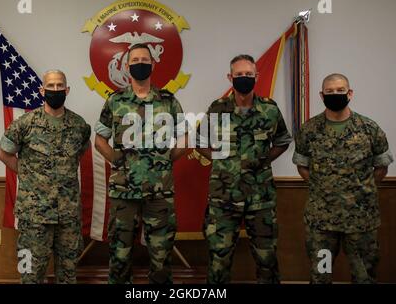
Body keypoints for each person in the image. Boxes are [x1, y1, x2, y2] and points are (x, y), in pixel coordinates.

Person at [94, 43, 187, 284]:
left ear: (153, 64)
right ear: (127, 66)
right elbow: (99, 140)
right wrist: (119, 161)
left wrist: (164, 161)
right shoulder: (115, 101)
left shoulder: (168, 101)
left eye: (144, 60)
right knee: (120, 256)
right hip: (123, 193)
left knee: (161, 257)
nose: (139, 64)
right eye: (134, 61)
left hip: (159, 192)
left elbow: (184, 139)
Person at [197, 54, 292, 283]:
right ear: (230, 77)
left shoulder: (269, 109)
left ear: (257, 77)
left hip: (261, 198)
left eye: (249, 75)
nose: (244, 79)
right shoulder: (217, 108)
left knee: (267, 261)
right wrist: (220, 161)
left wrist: (263, 160)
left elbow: (282, 140)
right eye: (239, 75)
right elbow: (200, 142)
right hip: (223, 199)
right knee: (218, 264)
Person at [293, 73, 394, 283]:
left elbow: (381, 166)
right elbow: (302, 165)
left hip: (361, 220)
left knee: (364, 276)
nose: (335, 94)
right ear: (321, 95)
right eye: (329, 92)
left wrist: (361, 190)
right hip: (322, 223)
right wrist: (322, 187)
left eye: (340, 90)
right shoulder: (309, 130)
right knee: (321, 275)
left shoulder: (369, 128)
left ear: (350, 93)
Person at [0, 69, 91, 283]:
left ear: (67, 90)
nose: (55, 90)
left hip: (68, 216)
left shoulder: (79, 126)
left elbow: (81, 152)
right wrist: (29, 174)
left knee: (68, 275)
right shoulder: (25, 124)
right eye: (51, 86)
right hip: (34, 216)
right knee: (30, 275)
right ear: (42, 90)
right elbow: (3, 153)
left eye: (60, 86)